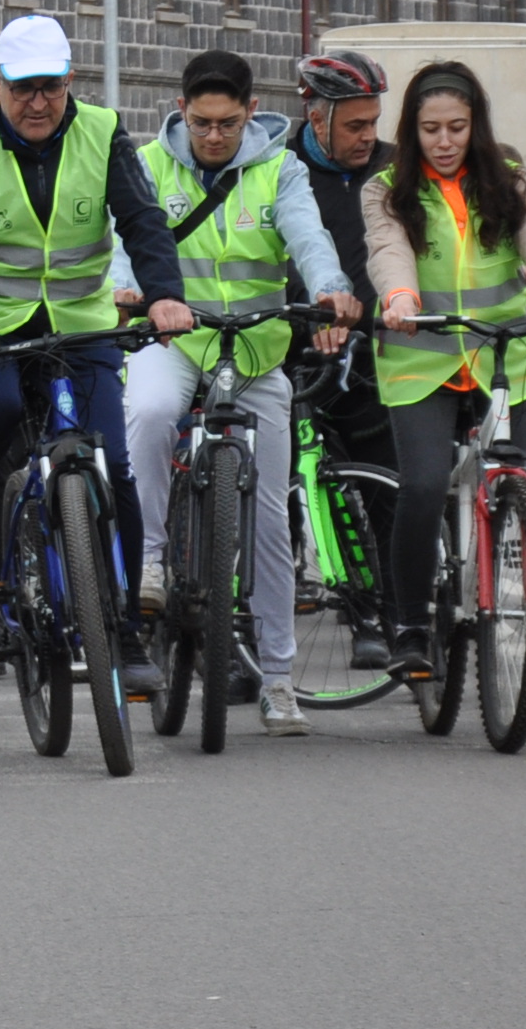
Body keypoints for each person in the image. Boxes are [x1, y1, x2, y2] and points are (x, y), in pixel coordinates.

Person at [0, 16, 190, 698]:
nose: (39, 103)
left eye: (53, 88)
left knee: (111, 462)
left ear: (71, 85)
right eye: (24, 88)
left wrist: (164, 297)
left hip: (79, 323)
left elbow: (143, 221)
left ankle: (122, 630)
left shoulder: (103, 131)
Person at [363, 60, 526, 713]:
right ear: (411, 130)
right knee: (421, 486)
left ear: (476, 125)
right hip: (420, 357)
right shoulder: (387, 190)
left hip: (508, 357)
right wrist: (397, 295)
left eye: (456, 126)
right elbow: (386, 248)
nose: (444, 140)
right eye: (429, 129)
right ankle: (412, 626)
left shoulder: (508, 184)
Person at [121, 51, 360, 732]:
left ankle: (279, 679)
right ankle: (152, 557)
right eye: (201, 122)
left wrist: (328, 288)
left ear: (252, 113)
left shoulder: (280, 169)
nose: (214, 135)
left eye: (228, 123)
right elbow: (127, 236)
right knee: (150, 409)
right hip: (176, 339)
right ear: (180, 112)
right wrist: (126, 289)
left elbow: (308, 239)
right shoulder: (148, 165)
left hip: (256, 349)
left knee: (272, 526)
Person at [290, 51, 401, 662]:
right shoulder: (278, 165)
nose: (368, 137)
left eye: (373, 123)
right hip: (289, 343)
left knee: (387, 487)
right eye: (355, 126)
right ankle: (249, 626)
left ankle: (383, 612)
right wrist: (313, 314)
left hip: (372, 347)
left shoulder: (393, 169)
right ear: (316, 114)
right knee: (269, 486)